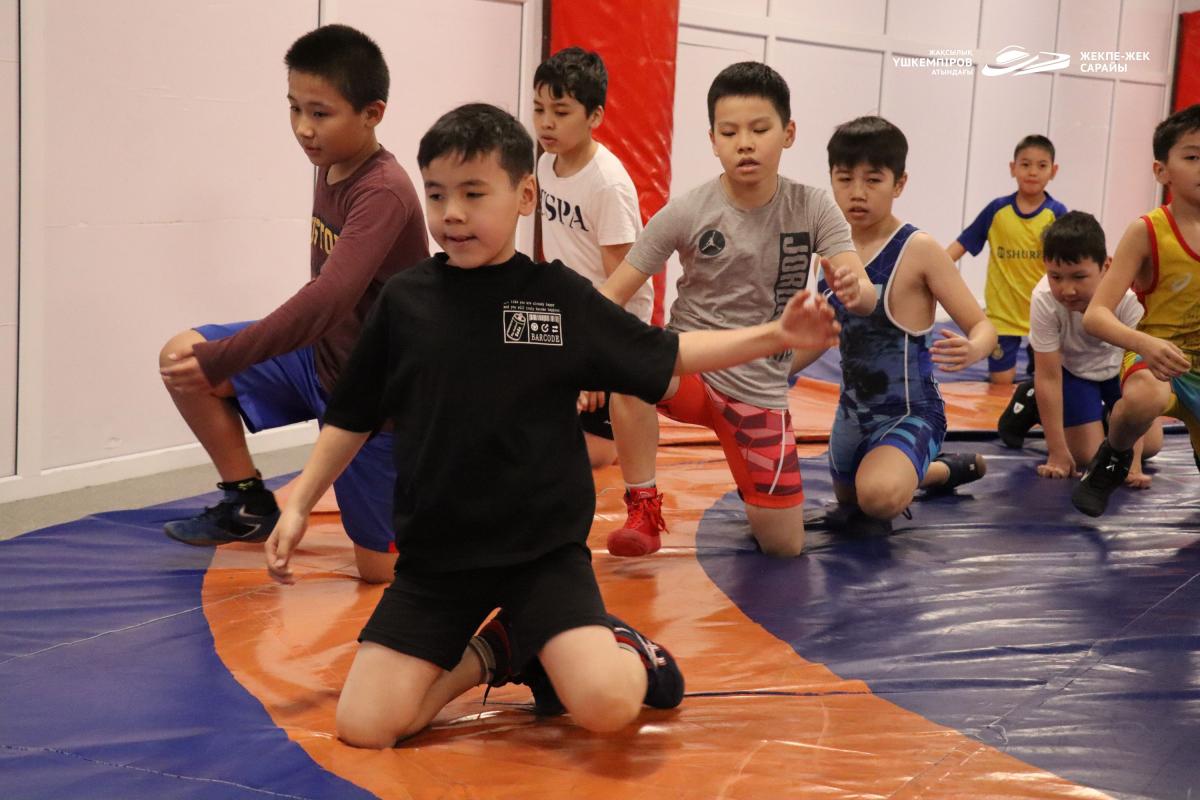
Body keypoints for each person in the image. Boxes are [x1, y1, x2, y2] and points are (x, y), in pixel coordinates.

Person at [263, 103, 843, 748]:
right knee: (365, 727)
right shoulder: (405, 302)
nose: (452, 213)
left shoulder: (556, 298)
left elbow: (668, 353)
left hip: (541, 558)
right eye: (437, 194)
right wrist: (301, 503)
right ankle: (500, 650)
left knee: (607, 705)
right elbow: (352, 413)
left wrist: (775, 335)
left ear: (524, 196)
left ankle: (610, 648)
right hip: (437, 561)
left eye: (474, 193)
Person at [157, 24, 428, 583]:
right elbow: (325, 312)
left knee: (380, 572)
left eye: (320, 113)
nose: (303, 127)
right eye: (294, 108)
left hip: (374, 400)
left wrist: (227, 356)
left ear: (373, 114)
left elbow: (327, 298)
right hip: (318, 360)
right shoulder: (329, 161)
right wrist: (216, 357)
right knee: (182, 354)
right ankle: (247, 503)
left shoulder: (383, 189)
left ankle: (440, 483)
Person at [598, 62, 876, 559]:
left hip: (758, 389)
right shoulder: (687, 209)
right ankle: (643, 505)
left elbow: (866, 292)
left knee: (783, 547)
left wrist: (852, 287)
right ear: (712, 140)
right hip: (690, 372)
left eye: (759, 129)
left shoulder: (813, 207)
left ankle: (759, 488)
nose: (744, 144)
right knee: (628, 364)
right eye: (729, 133)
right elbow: (611, 294)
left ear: (788, 133)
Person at [798, 116, 995, 525]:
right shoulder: (830, 251)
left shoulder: (919, 249)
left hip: (910, 411)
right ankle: (940, 471)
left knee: (877, 498)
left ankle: (916, 465)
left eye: (873, 180)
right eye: (845, 179)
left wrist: (974, 347)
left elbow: (984, 327)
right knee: (851, 499)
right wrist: (771, 371)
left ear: (899, 184)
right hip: (851, 415)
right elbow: (822, 337)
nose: (857, 193)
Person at [1072, 104, 1200, 517]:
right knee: (1145, 396)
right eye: (1193, 156)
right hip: (1155, 359)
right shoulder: (1147, 231)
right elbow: (1096, 315)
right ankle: (1113, 456)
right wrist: (1145, 343)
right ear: (1161, 170)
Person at [533, 46, 654, 468]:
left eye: (561, 112)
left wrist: (597, 363)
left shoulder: (607, 185)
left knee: (597, 456)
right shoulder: (546, 164)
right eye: (539, 109)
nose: (546, 122)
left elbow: (623, 286)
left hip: (613, 328)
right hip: (572, 319)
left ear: (595, 117)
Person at [1016, 211, 1163, 482]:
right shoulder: (1044, 299)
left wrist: (1132, 463)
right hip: (1073, 371)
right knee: (1088, 456)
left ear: (1106, 267)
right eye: (1055, 276)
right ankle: (1031, 400)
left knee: (1151, 446)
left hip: (1119, 371)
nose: (1067, 290)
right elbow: (1048, 376)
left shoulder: (1129, 299)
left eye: (1079, 277)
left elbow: (1142, 377)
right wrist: (1057, 451)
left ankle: (1110, 417)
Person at [947, 134, 1066, 387]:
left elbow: (1072, 259)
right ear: (1013, 168)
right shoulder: (996, 210)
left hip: (1043, 314)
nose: (1032, 172)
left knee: (1045, 382)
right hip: (1002, 315)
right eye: (1025, 164)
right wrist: (930, 268)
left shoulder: (1056, 214)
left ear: (1053, 171)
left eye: (1041, 165)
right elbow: (962, 244)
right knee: (1000, 384)